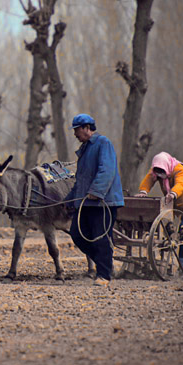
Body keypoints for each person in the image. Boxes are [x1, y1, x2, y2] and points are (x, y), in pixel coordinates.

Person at [64, 113, 124, 287]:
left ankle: (104, 275)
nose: (75, 134)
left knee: (101, 237)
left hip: (103, 202)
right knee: (77, 234)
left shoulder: (103, 143)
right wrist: (69, 200)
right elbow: (81, 179)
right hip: (86, 202)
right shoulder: (84, 150)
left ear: (86, 128)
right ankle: (105, 262)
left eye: (76, 130)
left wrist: (97, 191)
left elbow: (107, 170)